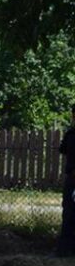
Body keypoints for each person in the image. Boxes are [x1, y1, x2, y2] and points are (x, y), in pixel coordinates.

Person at [57, 105, 75, 257]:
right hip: (72, 179)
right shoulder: (70, 134)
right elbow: (62, 149)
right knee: (68, 213)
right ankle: (64, 249)